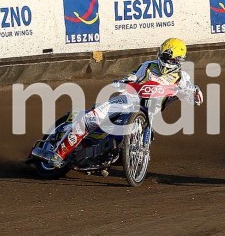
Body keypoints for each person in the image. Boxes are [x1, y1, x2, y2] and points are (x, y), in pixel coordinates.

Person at [35, 38, 204, 168]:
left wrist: (195, 94)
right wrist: (125, 80)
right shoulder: (147, 66)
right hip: (128, 100)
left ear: (179, 60)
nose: (168, 62)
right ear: (160, 54)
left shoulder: (183, 78)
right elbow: (133, 77)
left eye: (173, 60)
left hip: (152, 110)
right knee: (92, 118)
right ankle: (59, 153)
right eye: (166, 57)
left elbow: (193, 95)